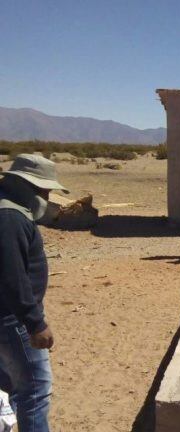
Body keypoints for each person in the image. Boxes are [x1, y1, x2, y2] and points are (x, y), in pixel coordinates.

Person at [0, 154, 68, 431]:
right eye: (45, 190)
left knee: (10, 385)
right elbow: (12, 276)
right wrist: (34, 322)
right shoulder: (10, 218)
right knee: (35, 389)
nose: (48, 195)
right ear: (28, 186)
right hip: (12, 319)